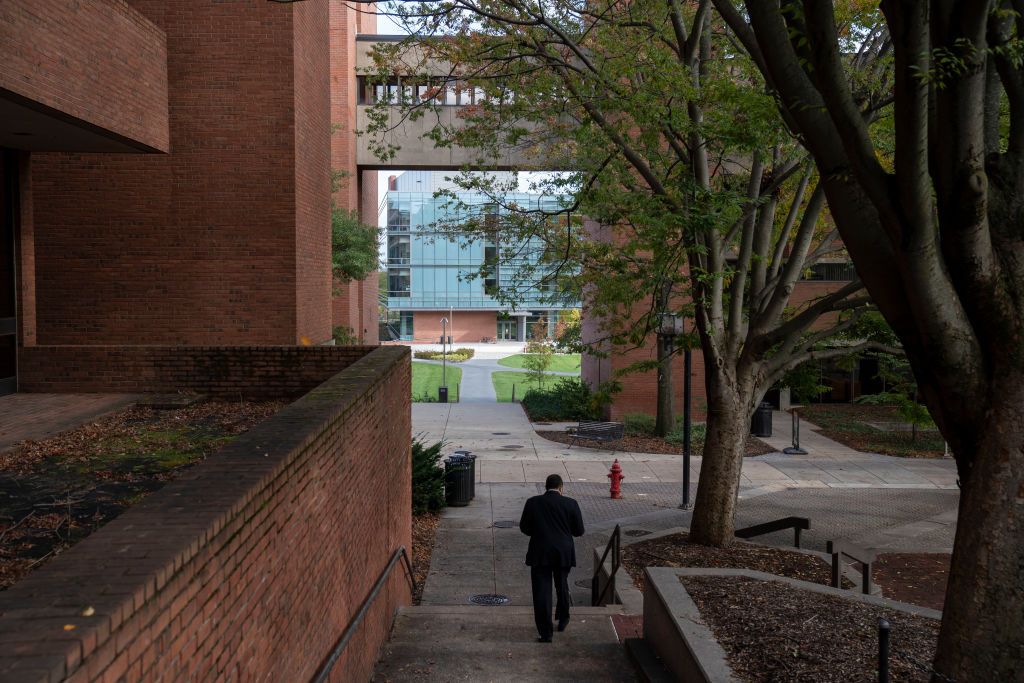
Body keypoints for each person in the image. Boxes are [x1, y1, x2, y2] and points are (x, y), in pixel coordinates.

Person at [519, 474, 585, 643]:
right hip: (563, 552)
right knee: (562, 584)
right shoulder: (571, 504)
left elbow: (524, 527)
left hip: (540, 552)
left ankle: (545, 632)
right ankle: (563, 618)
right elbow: (579, 531)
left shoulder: (533, 503)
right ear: (561, 488)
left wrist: (539, 532)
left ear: (545, 487)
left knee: (542, 591)